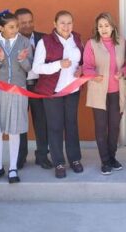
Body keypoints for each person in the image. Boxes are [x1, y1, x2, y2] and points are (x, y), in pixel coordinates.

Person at [32, 10, 84, 179]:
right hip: (52, 92)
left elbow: (82, 61)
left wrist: (81, 70)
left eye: (69, 23)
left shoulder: (77, 38)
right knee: (55, 127)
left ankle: (75, 159)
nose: (66, 26)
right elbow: (36, 68)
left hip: (72, 90)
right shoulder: (45, 41)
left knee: (72, 126)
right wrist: (58, 64)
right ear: (54, 24)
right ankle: (59, 162)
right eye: (62, 23)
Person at [0, 11, 32, 184]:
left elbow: (29, 67)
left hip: (18, 91)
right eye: (11, 27)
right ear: (1, 27)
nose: (16, 29)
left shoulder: (24, 41)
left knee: (14, 130)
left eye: (17, 26)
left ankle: (12, 168)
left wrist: (22, 60)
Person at [82, 12, 126, 175]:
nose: (103, 29)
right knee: (101, 128)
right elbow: (86, 66)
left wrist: (122, 71)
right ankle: (105, 161)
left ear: (112, 27)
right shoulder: (91, 44)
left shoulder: (122, 42)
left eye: (106, 26)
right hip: (99, 92)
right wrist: (93, 75)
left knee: (115, 127)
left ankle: (112, 157)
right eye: (100, 26)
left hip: (117, 92)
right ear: (97, 28)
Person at [15, 8, 51, 170]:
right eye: (23, 23)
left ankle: (42, 156)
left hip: (39, 87)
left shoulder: (44, 38)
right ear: (16, 24)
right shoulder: (11, 41)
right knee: (20, 122)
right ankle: (20, 157)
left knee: (42, 122)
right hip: (20, 87)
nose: (28, 25)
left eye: (30, 21)